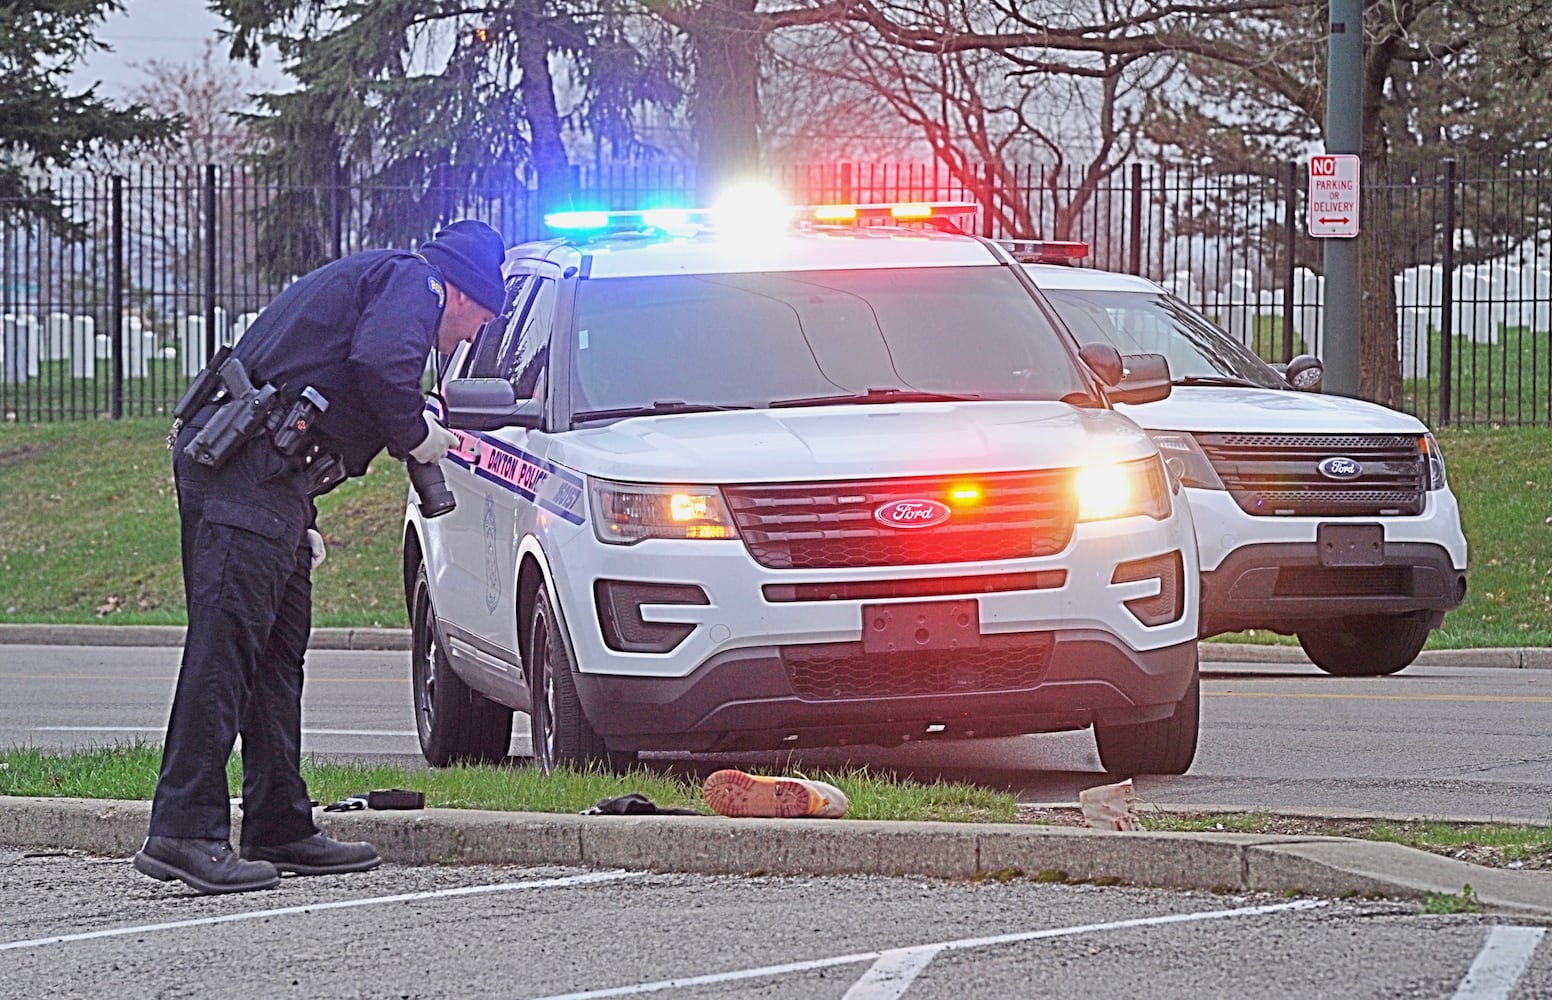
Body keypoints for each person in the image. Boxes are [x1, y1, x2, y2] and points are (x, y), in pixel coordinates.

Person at [134, 220, 507, 895]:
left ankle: (279, 821)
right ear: (464, 293)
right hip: (243, 479)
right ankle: (183, 830)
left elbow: (326, 390)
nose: (468, 337)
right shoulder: (414, 281)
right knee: (225, 652)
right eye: (480, 319)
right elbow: (379, 368)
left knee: (276, 657)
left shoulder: (388, 284)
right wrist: (417, 434)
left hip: (267, 483)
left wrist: (297, 514)